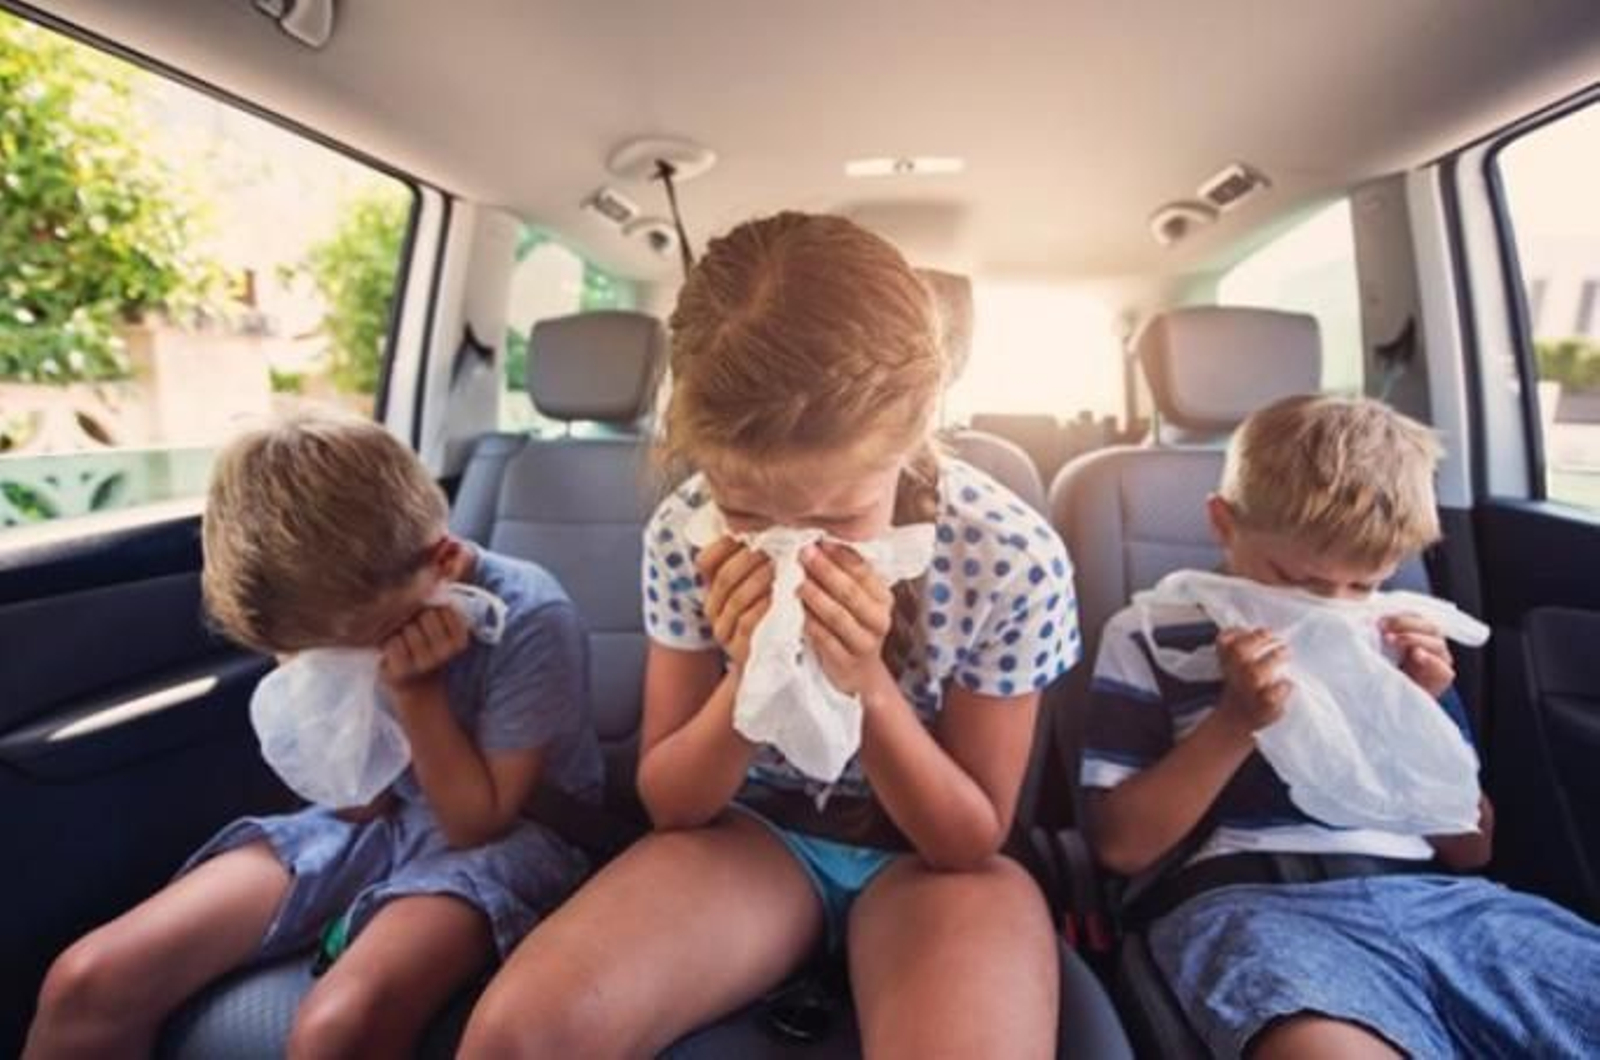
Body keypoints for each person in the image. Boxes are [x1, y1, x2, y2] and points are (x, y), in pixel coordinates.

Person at [461, 212, 1078, 1059]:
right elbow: (672, 803)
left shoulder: (1011, 557)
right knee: (515, 1039)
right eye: (748, 512)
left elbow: (969, 839)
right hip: (754, 836)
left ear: (919, 422)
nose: (795, 546)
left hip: (929, 863)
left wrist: (864, 683)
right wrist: (747, 675)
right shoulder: (686, 532)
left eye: (839, 515)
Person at [24, 415, 601, 1059]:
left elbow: (478, 825)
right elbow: (357, 802)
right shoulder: (321, 619)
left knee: (338, 1026)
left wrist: (417, 694)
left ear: (443, 562)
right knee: (87, 980)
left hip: (512, 834)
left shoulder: (529, 616)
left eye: (357, 646)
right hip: (378, 819)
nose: (336, 664)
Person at [1081, 394, 1600, 1059]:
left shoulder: (1395, 639)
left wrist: (1419, 710)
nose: (1329, 608)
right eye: (1296, 579)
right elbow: (1121, 847)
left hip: (1441, 904)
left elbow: (1471, 850)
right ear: (1223, 523)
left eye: (1362, 587)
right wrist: (1237, 721)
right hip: (1254, 906)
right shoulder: (1152, 634)